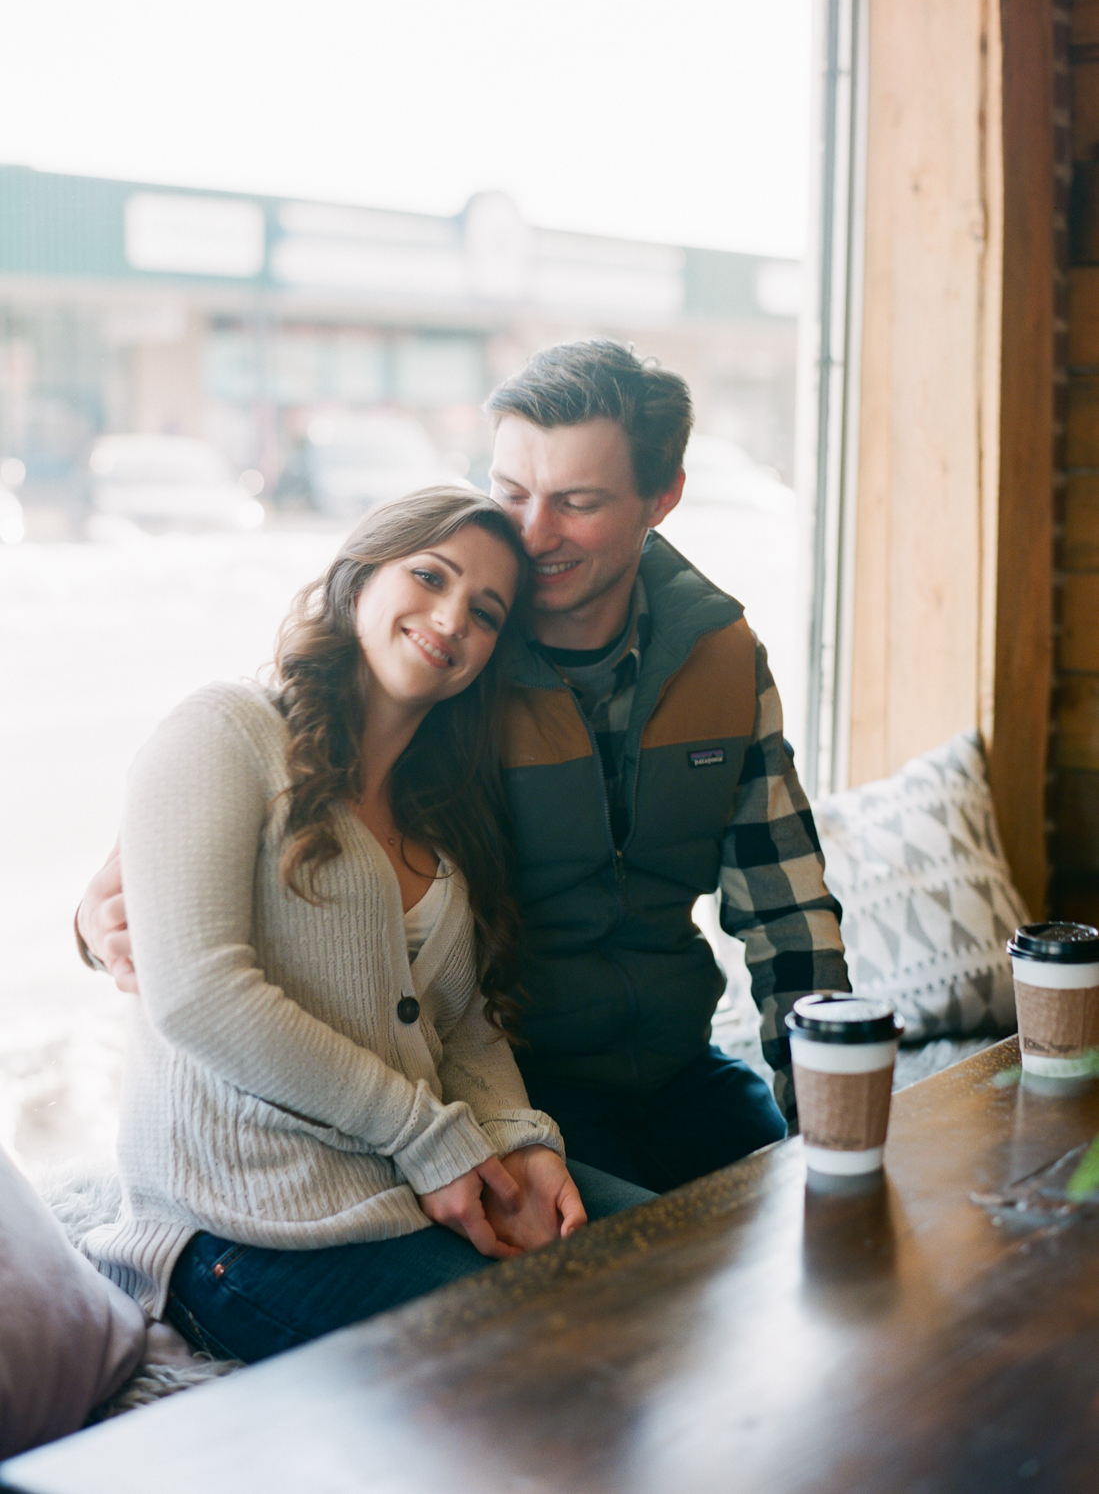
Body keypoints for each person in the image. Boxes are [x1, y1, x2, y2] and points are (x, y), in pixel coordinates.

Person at [79, 340, 851, 1196]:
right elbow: (283, 730)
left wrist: (832, 1112)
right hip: (505, 1084)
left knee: (820, 1224)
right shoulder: (451, 651)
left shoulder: (722, 660)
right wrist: (97, 909)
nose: (531, 533)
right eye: (511, 492)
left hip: (678, 1069)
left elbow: (786, 916)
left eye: (578, 502)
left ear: (659, 499)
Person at [81, 488, 652, 1366]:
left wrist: (520, 1144)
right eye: (429, 575)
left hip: (406, 1187)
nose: (451, 617)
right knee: (562, 1357)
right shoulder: (224, 729)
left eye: (486, 611)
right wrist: (432, 1142)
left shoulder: (445, 813)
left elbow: (463, 1027)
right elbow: (198, 994)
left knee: (683, 1261)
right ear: (357, 579)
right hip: (243, 1234)